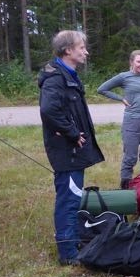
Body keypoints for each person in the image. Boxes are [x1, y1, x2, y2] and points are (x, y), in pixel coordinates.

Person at [38, 30, 105, 265]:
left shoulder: (68, 75)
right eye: (81, 47)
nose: (85, 51)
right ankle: (68, 253)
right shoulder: (56, 79)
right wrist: (72, 132)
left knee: (72, 196)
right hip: (66, 150)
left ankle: (71, 239)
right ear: (68, 50)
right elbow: (49, 111)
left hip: (73, 151)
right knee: (69, 197)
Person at [97, 50, 140, 188]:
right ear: (132, 62)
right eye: (139, 61)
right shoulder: (124, 77)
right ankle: (125, 188)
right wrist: (120, 98)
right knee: (130, 157)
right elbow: (102, 89)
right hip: (132, 120)